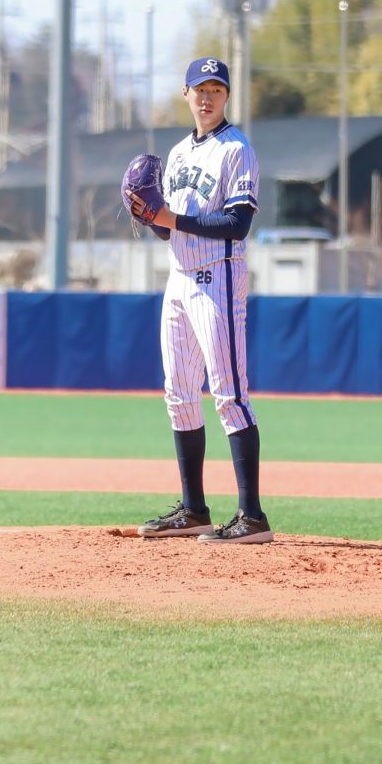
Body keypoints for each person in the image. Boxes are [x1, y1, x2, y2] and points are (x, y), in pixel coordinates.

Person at [128, 57, 272, 543]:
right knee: (180, 396)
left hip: (220, 276)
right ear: (185, 95)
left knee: (229, 395)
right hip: (179, 278)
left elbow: (237, 224)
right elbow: (168, 230)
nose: (207, 97)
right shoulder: (178, 153)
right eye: (199, 89)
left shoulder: (237, 149)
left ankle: (252, 516)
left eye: (216, 88)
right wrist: (150, 217)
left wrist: (169, 217)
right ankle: (193, 510)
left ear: (227, 96)